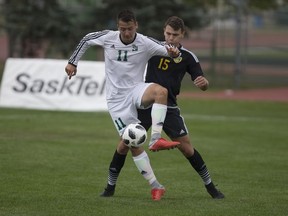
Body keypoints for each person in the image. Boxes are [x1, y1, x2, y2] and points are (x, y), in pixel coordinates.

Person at [101, 16, 225, 199]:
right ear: (163, 32)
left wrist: (204, 83)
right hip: (144, 104)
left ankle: (210, 187)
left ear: (182, 34)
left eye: (175, 35)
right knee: (124, 145)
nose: (170, 38)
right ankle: (110, 187)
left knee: (187, 148)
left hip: (169, 107)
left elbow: (202, 82)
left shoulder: (188, 57)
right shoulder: (152, 47)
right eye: (168, 33)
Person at [65, 9, 181, 201]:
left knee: (161, 92)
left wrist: (174, 53)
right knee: (131, 143)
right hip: (117, 100)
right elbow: (86, 39)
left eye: (129, 28)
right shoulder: (108, 37)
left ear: (136, 25)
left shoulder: (144, 42)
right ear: (118, 27)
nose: (126, 33)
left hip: (136, 90)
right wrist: (73, 62)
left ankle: (156, 139)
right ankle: (155, 186)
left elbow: (169, 51)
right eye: (122, 29)